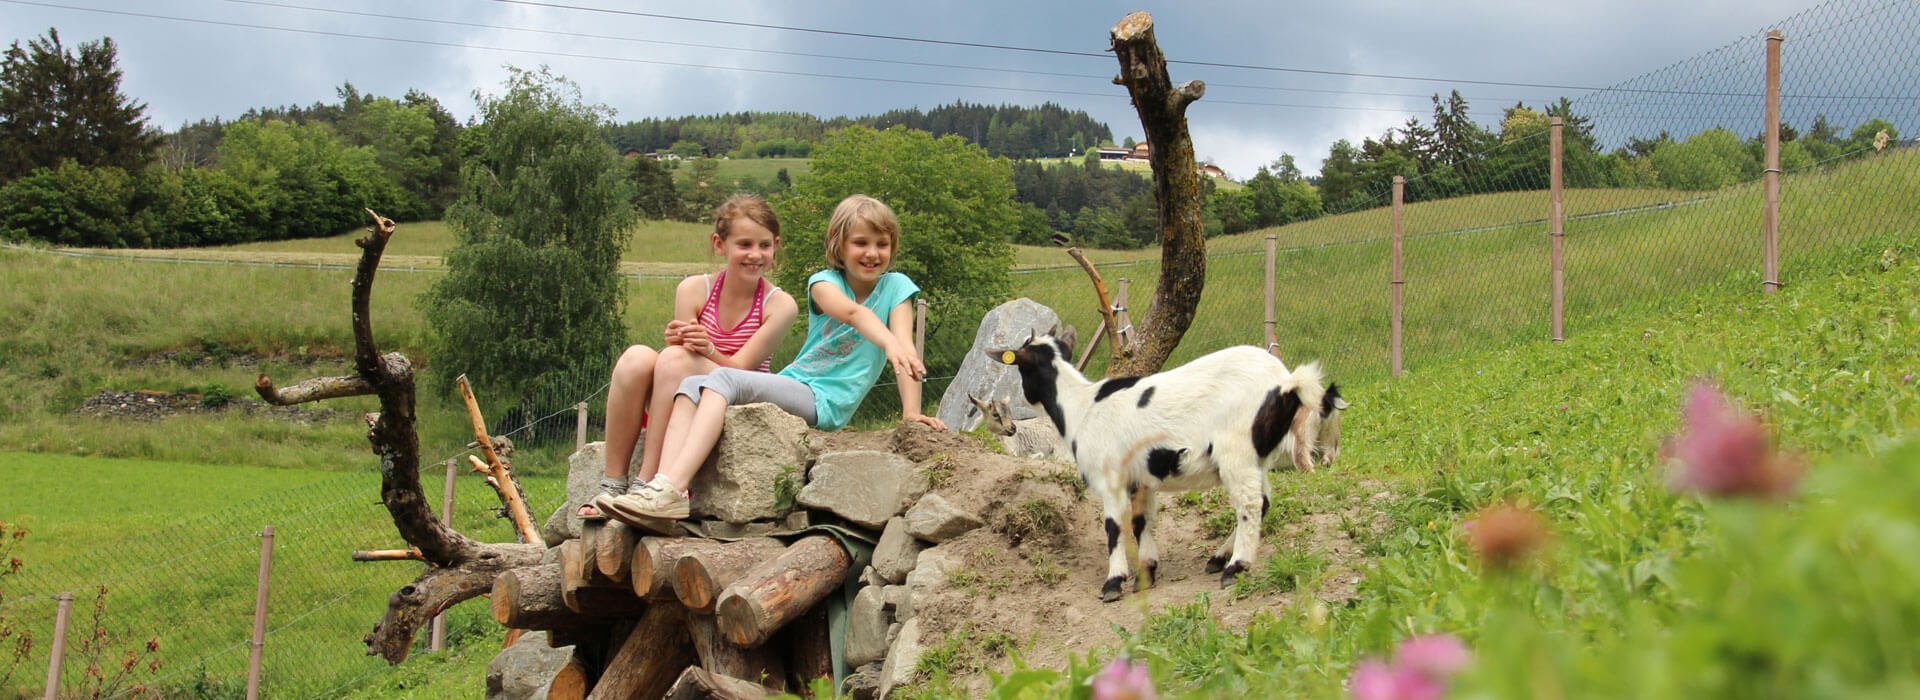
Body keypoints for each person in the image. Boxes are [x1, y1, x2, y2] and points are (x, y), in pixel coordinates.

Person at [599, 194, 949, 523]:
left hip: (824, 402)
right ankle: (661, 485)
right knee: (693, 382)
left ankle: (671, 489)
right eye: (861, 243)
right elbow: (854, 314)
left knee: (721, 378)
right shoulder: (823, 282)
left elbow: (905, 347)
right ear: (838, 247)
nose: (872, 253)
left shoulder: (898, 287)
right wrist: (889, 344)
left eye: (882, 244)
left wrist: (911, 413)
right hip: (795, 382)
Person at [579, 194, 799, 519]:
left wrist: (705, 346)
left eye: (764, 245)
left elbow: (740, 369)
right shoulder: (694, 289)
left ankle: (650, 483)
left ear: (776, 245)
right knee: (636, 358)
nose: (755, 255)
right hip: (684, 391)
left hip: (733, 394)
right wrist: (682, 340)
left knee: (673, 360)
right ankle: (612, 484)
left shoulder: (780, 306)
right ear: (719, 245)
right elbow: (682, 354)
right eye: (744, 244)